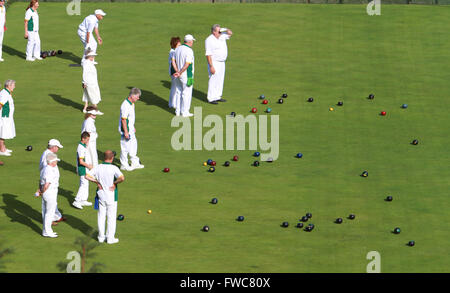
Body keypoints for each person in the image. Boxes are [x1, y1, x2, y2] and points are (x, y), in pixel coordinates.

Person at [86, 150, 124, 244]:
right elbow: (122, 178)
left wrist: (97, 182)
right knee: (111, 217)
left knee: (101, 216)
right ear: (112, 158)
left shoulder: (98, 167)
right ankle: (110, 238)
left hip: (101, 194)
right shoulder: (114, 168)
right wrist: (114, 183)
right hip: (111, 195)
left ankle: (101, 237)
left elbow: (87, 176)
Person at [37, 139, 66, 224]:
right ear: (53, 147)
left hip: (51, 183)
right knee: (47, 204)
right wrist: (43, 187)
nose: (58, 149)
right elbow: (46, 171)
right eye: (57, 147)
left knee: (52, 203)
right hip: (48, 184)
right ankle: (48, 220)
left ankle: (55, 216)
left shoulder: (49, 154)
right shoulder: (48, 155)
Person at [205, 24, 232, 104]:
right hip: (214, 62)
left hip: (222, 62)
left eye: (220, 31)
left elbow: (230, 33)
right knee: (213, 79)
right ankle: (211, 98)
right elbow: (208, 54)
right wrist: (211, 66)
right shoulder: (209, 40)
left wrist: (225, 29)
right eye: (218, 31)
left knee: (220, 79)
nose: (220, 33)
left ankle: (217, 96)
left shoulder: (222, 36)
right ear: (213, 32)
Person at [118, 87, 144, 171]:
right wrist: (126, 132)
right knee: (125, 147)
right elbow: (123, 119)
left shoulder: (131, 104)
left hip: (130, 129)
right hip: (126, 130)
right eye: (137, 96)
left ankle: (134, 162)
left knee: (133, 145)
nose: (138, 98)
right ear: (132, 96)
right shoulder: (125, 105)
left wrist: (133, 127)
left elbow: (130, 118)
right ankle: (124, 164)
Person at [173, 34, 196, 117]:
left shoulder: (177, 49)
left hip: (178, 74)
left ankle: (177, 111)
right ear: (190, 41)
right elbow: (187, 64)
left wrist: (177, 71)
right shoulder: (189, 51)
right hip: (186, 75)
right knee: (187, 93)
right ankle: (185, 112)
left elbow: (173, 61)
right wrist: (180, 72)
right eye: (192, 41)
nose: (192, 42)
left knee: (179, 92)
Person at [40, 152, 61, 238]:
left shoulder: (45, 168)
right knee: (49, 213)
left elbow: (40, 181)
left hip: (46, 193)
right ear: (52, 162)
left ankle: (47, 230)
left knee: (46, 211)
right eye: (55, 161)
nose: (56, 162)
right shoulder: (49, 170)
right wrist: (42, 191)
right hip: (50, 192)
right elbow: (47, 184)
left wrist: (40, 191)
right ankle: (47, 232)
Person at [72, 131, 93, 209]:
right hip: (82, 168)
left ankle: (83, 200)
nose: (88, 141)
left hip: (85, 168)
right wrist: (88, 166)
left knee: (86, 184)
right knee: (83, 184)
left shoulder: (83, 146)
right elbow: (81, 161)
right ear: (83, 138)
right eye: (87, 139)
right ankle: (77, 201)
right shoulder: (80, 148)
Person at [0, 79, 16, 156]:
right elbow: (0, 105)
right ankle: (2, 150)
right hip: (4, 117)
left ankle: (4, 147)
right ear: (8, 86)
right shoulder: (4, 94)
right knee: (2, 133)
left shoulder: (7, 93)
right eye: (13, 85)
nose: (14, 87)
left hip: (7, 117)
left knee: (4, 133)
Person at [168, 37, 181, 110]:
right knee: (175, 88)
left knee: (175, 88)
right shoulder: (173, 51)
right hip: (174, 71)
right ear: (174, 44)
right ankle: (172, 104)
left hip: (175, 71)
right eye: (179, 45)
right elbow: (174, 62)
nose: (180, 46)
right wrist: (177, 71)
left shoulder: (174, 51)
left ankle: (173, 103)